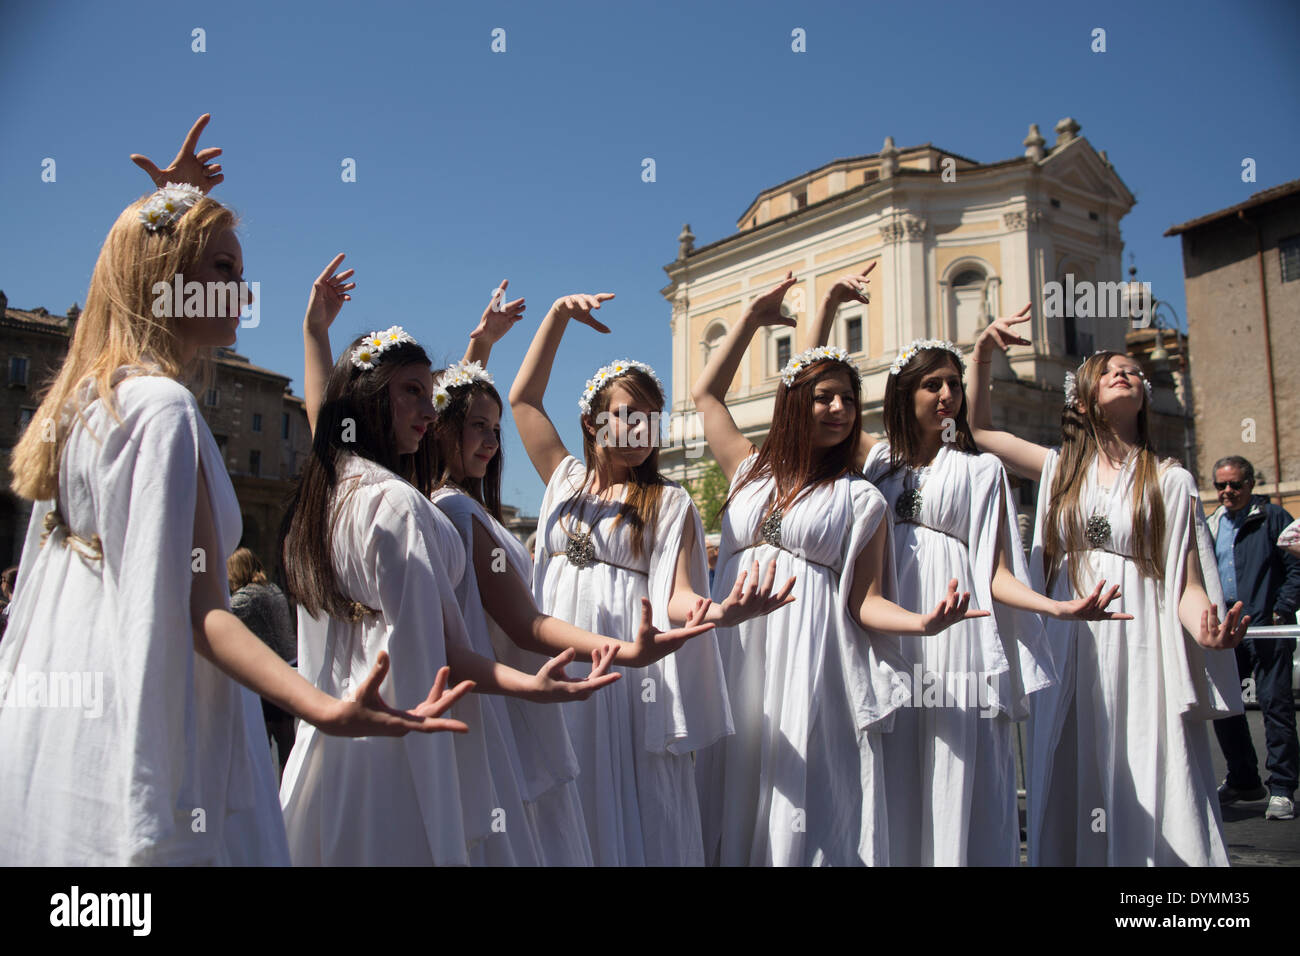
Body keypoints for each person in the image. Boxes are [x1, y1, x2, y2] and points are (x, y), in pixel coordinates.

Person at [0, 117, 470, 866]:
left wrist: (167, 203)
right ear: (168, 278)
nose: (240, 289)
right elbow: (201, 614)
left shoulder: (90, 404)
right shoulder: (161, 409)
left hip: (68, 735)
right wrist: (325, 707)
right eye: (222, 268)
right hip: (171, 721)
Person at [284, 262, 624, 865]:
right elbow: (442, 648)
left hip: (329, 748)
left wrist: (315, 332)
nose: (428, 408)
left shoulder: (332, 489)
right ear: (368, 398)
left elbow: (328, 416)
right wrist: (531, 686)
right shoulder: (397, 505)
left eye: (429, 394)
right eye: (413, 392)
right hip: (402, 746)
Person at [806, 269, 1127, 865]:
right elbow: (812, 379)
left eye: (954, 384)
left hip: (958, 641)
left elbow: (999, 572)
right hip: (891, 634)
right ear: (906, 395)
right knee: (891, 774)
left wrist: (1056, 606)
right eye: (933, 384)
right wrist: (825, 303)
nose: (947, 395)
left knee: (958, 774)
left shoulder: (982, 472)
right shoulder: (877, 463)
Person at [691, 272, 985, 866]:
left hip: (815, 658)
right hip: (743, 649)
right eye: (825, 396)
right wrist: (751, 317)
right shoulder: (748, 470)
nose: (838, 409)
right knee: (735, 789)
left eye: (849, 400)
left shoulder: (861, 499)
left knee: (810, 800)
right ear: (798, 402)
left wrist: (922, 624)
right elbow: (706, 396)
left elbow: (864, 602)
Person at [511, 291, 792, 865]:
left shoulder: (670, 501)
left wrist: (723, 611)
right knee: (556, 794)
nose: (640, 426)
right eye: (626, 413)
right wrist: (558, 317)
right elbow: (523, 399)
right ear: (593, 423)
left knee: (624, 797)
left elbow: (681, 594)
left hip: (626, 673)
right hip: (560, 653)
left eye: (649, 416)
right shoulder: (563, 480)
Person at [969, 310, 1250, 866]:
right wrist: (981, 352)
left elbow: (1187, 583)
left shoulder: (1171, 480)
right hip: (1071, 636)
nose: (1126, 374)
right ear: (1081, 401)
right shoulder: (1058, 470)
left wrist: (1207, 630)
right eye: (1110, 371)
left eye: (1134, 372)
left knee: (1147, 759)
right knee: (1070, 761)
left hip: (1140, 635)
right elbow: (980, 432)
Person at [1207, 455, 1300, 821]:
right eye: (1220, 485)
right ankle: (1244, 780)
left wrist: (1282, 607)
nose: (1227, 491)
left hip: (1266, 628)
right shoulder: (1212, 523)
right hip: (1227, 630)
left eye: (1235, 484)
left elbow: (1297, 568)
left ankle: (1281, 788)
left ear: (1251, 485)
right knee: (1224, 705)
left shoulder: (1274, 518)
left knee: (1276, 706)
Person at [227, 547, 297, 772]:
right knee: (287, 741)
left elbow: (218, 615)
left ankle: (269, 797)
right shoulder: (273, 589)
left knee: (263, 741)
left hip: (271, 672)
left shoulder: (246, 598)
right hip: (290, 665)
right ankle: (289, 794)